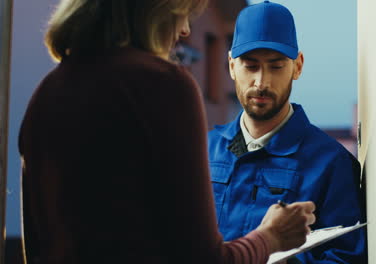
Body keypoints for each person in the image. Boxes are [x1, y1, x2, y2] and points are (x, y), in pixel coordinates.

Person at [18, 0, 317, 263]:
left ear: (297, 66)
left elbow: (35, 249)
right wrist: (271, 237)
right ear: (154, 9)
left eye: (275, 66)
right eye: (182, 10)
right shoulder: (160, 85)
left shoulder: (47, 93)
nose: (186, 29)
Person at [208, 1, 367, 263]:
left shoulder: (331, 163)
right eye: (250, 66)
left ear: (298, 66)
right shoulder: (204, 150)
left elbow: (346, 257)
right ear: (231, 66)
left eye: (276, 66)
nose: (261, 82)